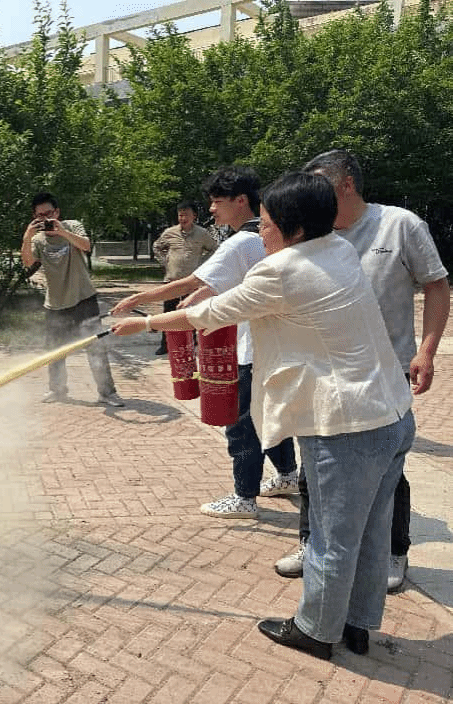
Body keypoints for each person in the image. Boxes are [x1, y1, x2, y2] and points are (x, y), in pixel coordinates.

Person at [112, 171, 415, 659]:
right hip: (393, 415)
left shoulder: (282, 271)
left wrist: (145, 323)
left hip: (348, 426)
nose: (261, 233)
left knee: (332, 538)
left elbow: (207, 313)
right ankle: (356, 623)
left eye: (268, 224)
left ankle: (316, 631)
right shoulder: (338, 248)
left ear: (295, 228)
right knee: (371, 531)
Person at [273, 150, 450, 591]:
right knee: (314, 460)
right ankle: (311, 542)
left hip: (383, 372)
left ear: (346, 183)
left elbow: (436, 286)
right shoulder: (313, 230)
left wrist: (427, 352)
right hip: (320, 370)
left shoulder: (400, 225)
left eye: (321, 186)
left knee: (387, 465)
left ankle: (393, 551)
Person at [112, 166, 297, 519]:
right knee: (270, 416)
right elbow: (217, 283)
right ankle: (287, 475)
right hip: (275, 345)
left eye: (216, 202)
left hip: (251, 348)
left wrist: (141, 299)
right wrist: (197, 295)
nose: (211, 209)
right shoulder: (268, 236)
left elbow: (190, 281)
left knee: (240, 423)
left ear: (240, 201)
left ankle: (244, 497)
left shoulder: (241, 241)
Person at [21, 192, 123, 407]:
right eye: (40, 216)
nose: (46, 219)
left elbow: (86, 246)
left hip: (83, 298)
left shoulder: (73, 226)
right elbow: (28, 262)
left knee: (95, 346)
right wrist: (27, 236)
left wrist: (62, 232)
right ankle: (57, 390)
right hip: (55, 304)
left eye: (49, 213)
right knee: (55, 351)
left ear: (57, 212)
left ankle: (107, 393)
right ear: (34, 217)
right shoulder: (38, 239)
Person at [151, 201, 217, 354]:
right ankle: (166, 344)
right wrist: (165, 262)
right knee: (168, 313)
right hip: (172, 280)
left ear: (194, 216)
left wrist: (203, 265)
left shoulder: (202, 234)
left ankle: (190, 343)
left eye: (186, 215)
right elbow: (157, 247)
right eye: (180, 215)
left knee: (190, 313)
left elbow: (215, 249)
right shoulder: (170, 232)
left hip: (192, 282)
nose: (183, 218)